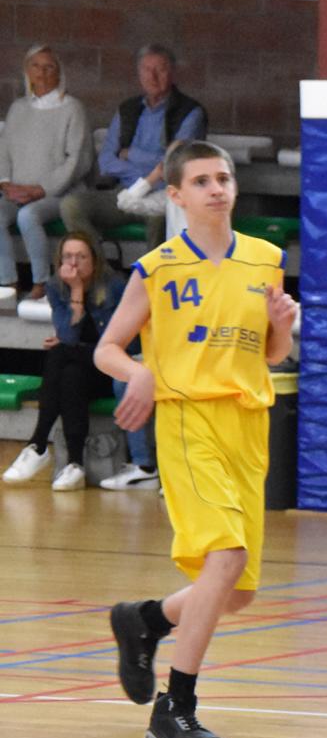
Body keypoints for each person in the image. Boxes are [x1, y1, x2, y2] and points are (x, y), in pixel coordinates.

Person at [97, 141, 296, 738]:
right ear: (176, 195)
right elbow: (107, 349)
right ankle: (174, 708)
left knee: (237, 592)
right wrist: (140, 374)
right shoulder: (157, 269)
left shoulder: (265, 260)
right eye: (203, 180)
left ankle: (145, 620)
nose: (216, 189)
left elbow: (270, 354)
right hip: (189, 421)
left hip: (248, 425)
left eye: (224, 178)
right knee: (226, 557)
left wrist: (283, 326)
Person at [60, 44, 208, 252]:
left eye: (160, 69)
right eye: (146, 69)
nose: (152, 76)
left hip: (163, 196)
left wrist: (132, 154)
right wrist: (146, 173)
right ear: (139, 73)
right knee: (71, 205)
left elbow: (172, 164)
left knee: (161, 219)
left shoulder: (190, 112)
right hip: (124, 192)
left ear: (172, 73)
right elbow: (106, 162)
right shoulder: (127, 109)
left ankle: (153, 273)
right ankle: (101, 269)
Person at [3, 233, 114, 491]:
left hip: (110, 366)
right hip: (80, 368)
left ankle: (38, 444)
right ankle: (75, 464)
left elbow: (117, 342)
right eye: (67, 257)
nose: (73, 263)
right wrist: (76, 290)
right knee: (70, 374)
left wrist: (73, 343)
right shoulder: (56, 286)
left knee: (59, 353)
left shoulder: (114, 286)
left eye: (81, 256)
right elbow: (69, 335)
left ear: (94, 260)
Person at [0, 45, 91, 302]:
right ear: (27, 71)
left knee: (28, 216)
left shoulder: (72, 109)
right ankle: (8, 282)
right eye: (35, 66)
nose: (41, 72)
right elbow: (3, 149)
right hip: (17, 192)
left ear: (59, 72)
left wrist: (40, 189)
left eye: (49, 67)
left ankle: (41, 281)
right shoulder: (18, 108)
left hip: (56, 193)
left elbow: (78, 160)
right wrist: (5, 184)